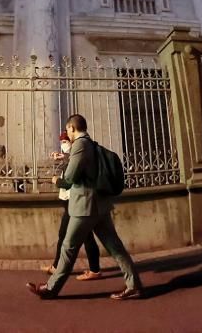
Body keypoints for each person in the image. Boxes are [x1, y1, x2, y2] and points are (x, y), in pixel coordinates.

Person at [27, 114, 142, 300]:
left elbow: (70, 178)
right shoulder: (90, 144)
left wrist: (57, 181)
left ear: (73, 128)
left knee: (68, 247)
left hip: (85, 206)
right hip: (99, 206)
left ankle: (51, 288)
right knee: (115, 247)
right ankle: (134, 285)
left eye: (68, 129)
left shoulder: (80, 145)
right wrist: (66, 158)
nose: (67, 133)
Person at [40, 131, 102, 280]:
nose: (63, 145)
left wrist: (57, 181)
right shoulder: (72, 155)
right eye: (61, 142)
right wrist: (63, 157)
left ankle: (58, 270)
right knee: (87, 237)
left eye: (65, 142)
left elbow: (70, 179)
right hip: (72, 201)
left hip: (74, 201)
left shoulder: (79, 152)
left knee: (66, 237)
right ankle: (94, 269)